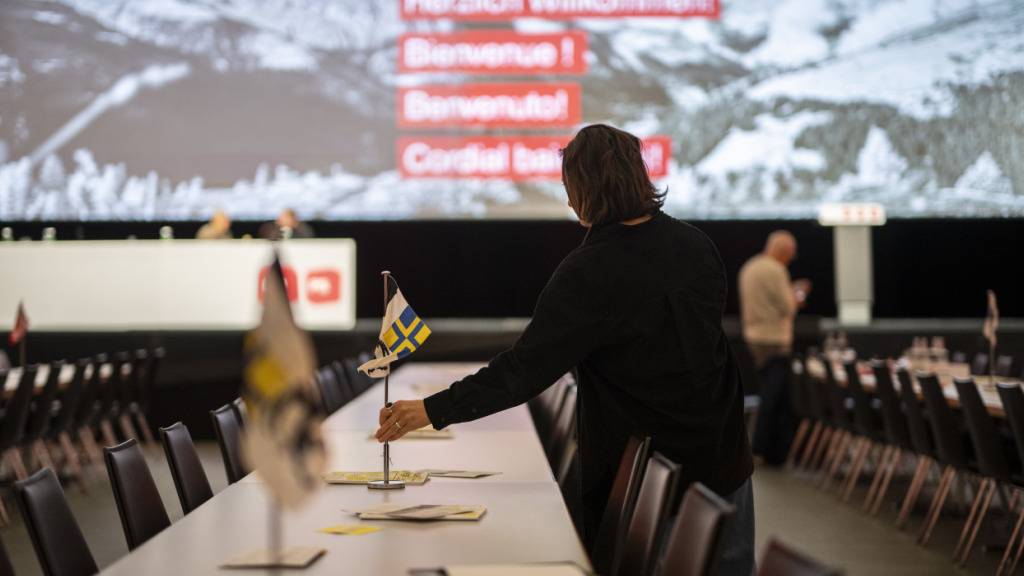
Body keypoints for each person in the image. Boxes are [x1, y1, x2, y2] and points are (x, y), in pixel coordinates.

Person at [375, 124, 755, 575]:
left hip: (648, 477)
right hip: (724, 459)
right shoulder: (698, 246)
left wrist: (432, 410)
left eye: (567, 186)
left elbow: (524, 369)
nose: (568, 200)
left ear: (584, 188)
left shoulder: (589, 272)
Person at [739, 231, 811, 466]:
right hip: (774, 340)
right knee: (774, 399)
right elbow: (788, 307)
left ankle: (762, 448)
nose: (792, 258)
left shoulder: (750, 267)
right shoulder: (775, 270)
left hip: (753, 337)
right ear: (783, 251)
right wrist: (797, 294)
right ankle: (766, 449)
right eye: (791, 254)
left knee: (768, 395)